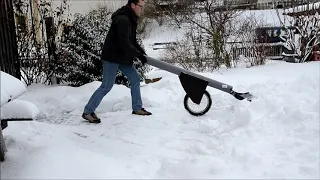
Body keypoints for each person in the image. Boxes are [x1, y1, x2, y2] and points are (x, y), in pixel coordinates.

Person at [82, 0, 151, 123]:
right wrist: (137, 55)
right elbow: (123, 42)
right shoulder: (122, 20)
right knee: (106, 86)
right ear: (133, 5)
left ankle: (137, 108)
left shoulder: (131, 18)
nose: (142, 9)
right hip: (112, 57)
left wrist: (141, 53)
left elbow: (132, 41)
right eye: (141, 6)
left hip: (122, 57)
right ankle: (88, 111)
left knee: (135, 79)